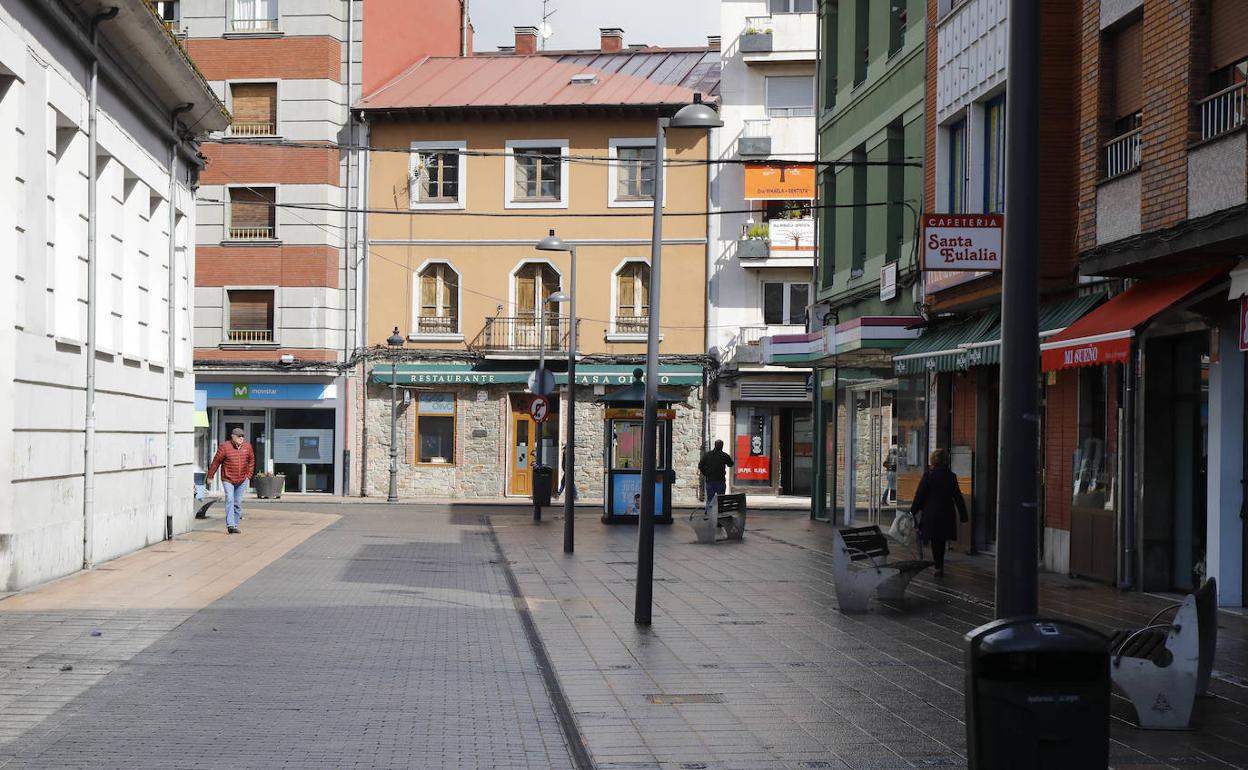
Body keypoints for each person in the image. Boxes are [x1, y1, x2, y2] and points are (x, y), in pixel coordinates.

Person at [910, 448, 968, 577]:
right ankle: (939, 565)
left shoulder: (928, 475)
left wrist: (913, 511)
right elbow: (957, 496)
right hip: (946, 512)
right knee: (940, 540)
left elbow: (919, 495)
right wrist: (963, 515)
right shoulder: (951, 476)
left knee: (934, 539)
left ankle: (936, 565)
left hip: (931, 513)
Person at [208, 427, 255, 535]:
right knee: (230, 499)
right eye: (239, 436)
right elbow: (216, 462)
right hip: (228, 478)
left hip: (242, 479)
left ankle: (234, 525)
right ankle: (230, 525)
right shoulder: (224, 447)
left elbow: (251, 461)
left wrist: (248, 475)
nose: (241, 438)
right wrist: (210, 476)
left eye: (243, 436)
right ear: (233, 437)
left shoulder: (247, 447)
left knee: (237, 503)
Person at [697, 439, 734, 515]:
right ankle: (719, 514)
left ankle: (708, 513)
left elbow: (700, 465)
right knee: (720, 499)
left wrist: (705, 473)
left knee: (710, 498)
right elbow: (731, 464)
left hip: (710, 480)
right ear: (722, 446)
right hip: (720, 480)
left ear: (715, 445)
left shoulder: (707, 455)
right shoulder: (724, 455)